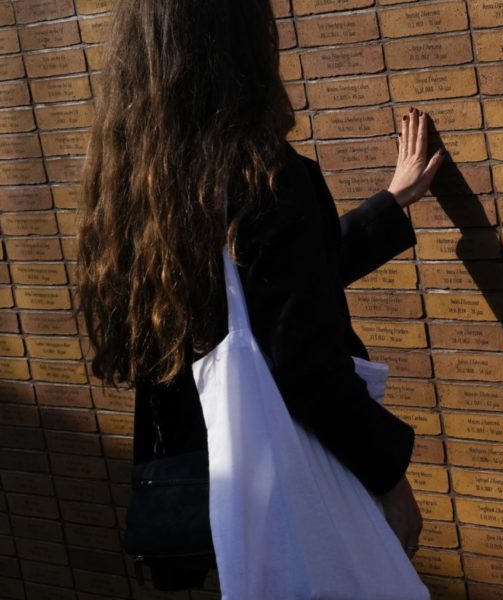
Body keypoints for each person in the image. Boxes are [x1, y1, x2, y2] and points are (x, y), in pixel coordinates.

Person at [75, 0, 444, 591]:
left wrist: (388, 206)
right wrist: (390, 479)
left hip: (211, 484)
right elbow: (302, 360)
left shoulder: (135, 183)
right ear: (240, 46)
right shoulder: (263, 177)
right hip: (288, 482)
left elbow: (270, 291)